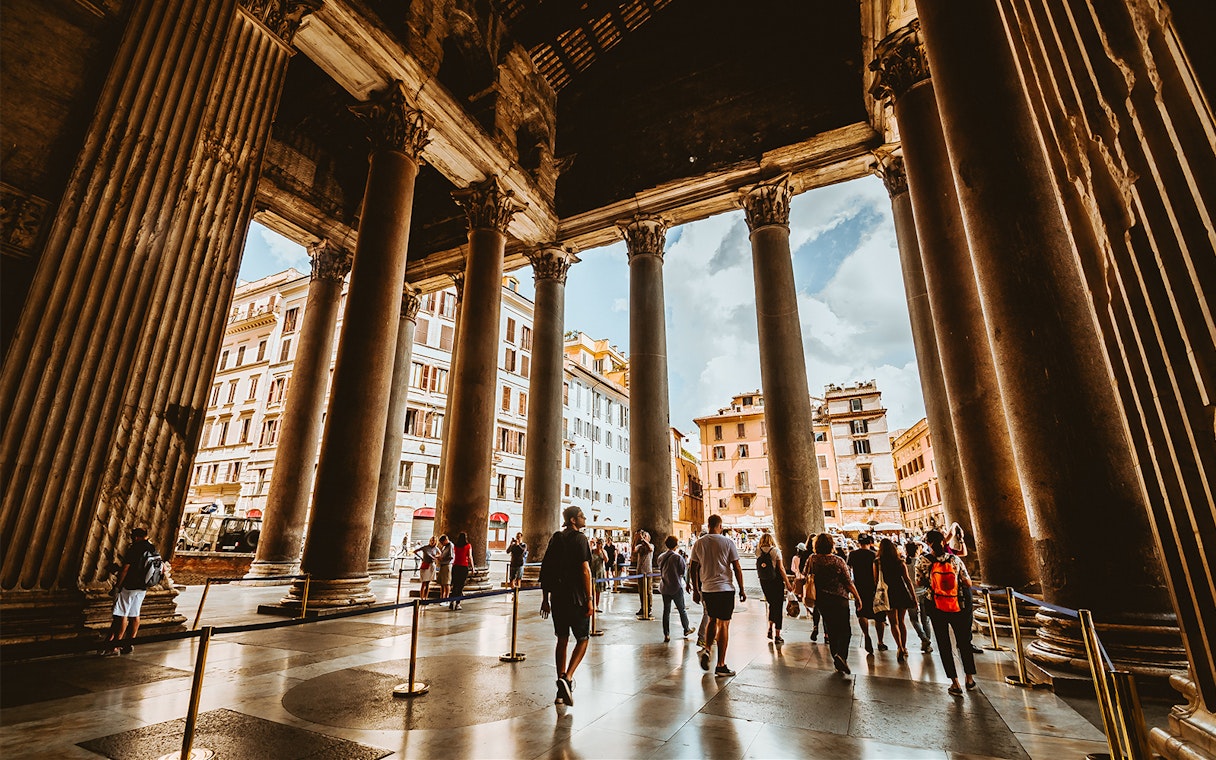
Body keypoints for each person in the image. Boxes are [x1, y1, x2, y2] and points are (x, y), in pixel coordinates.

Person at [539, 506, 594, 706]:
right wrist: (589, 599)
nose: (585, 518)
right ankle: (568, 678)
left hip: (558, 598)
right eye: (581, 516)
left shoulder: (556, 537)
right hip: (576, 598)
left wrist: (545, 598)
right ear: (573, 520)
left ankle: (560, 692)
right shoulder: (581, 539)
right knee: (583, 639)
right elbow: (585, 570)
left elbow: (546, 568)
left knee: (561, 640)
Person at [917, 529, 977, 695]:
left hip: (936, 605)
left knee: (943, 644)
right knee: (964, 641)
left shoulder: (923, 560)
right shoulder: (955, 559)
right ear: (944, 542)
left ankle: (955, 683)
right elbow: (968, 582)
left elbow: (919, 581)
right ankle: (969, 678)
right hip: (958, 604)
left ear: (928, 543)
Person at [690, 514, 746, 677]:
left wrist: (695, 589)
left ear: (708, 525)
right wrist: (742, 589)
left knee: (712, 619)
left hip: (707, 589)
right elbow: (736, 567)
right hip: (725, 588)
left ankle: (707, 649)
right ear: (720, 526)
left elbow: (693, 567)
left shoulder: (699, 543)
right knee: (724, 625)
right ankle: (721, 664)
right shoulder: (728, 542)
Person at [803, 532, 862, 675]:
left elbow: (805, 574)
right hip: (840, 599)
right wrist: (858, 597)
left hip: (822, 600)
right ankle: (841, 655)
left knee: (831, 630)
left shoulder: (812, 559)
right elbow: (848, 582)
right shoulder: (838, 561)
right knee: (845, 630)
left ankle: (836, 659)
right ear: (831, 545)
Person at [99, 527, 160, 656]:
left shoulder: (135, 548)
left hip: (129, 586)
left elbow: (126, 569)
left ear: (136, 537)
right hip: (142, 587)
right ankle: (129, 643)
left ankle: (115, 646)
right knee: (135, 615)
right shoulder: (152, 548)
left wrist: (118, 585)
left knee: (122, 614)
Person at [875, 538, 917, 661]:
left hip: (888, 593)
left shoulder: (878, 562)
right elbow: (907, 580)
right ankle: (904, 647)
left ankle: (898, 646)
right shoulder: (900, 562)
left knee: (893, 623)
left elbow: (876, 580)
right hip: (901, 592)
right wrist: (913, 597)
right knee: (902, 621)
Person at [848, 534, 887, 654]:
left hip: (859, 587)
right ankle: (880, 642)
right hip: (874, 588)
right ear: (870, 542)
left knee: (861, 612)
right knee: (879, 615)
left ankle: (866, 635)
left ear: (859, 542)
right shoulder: (874, 555)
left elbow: (849, 569)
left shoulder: (853, 554)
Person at [755, 532, 794, 643]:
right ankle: (777, 634)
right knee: (778, 606)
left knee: (772, 604)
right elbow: (781, 568)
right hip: (775, 581)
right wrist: (787, 582)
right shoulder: (776, 551)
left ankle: (769, 628)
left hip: (764, 581)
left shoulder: (758, 551)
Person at [655, 535, 693, 642]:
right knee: (682, 609)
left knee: (666, 611)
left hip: (665, 587)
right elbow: (682, 572)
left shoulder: (661, 557)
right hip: (676, 587)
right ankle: (686, 629)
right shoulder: (677, 558)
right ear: (676, 545)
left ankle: (666, 634)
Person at [904, 539, 933, 652]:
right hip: (924, 593)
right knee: (926, 619)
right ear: (917, 550)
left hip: (910, 594)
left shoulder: (904, 563)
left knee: (913, 619)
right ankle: (927, 643)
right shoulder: (922, 562)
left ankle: (923, 638)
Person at [448, 532, 472, 609]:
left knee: (455, 585)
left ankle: (451, 601)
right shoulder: (468, 546)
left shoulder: (455, 546)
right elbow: (470, 556)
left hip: (455, 566)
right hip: (463, 567)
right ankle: (458, 603)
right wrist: (473, 567)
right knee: (460, 586)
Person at [634, 530, 654, 618]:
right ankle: (643, 607)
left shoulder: (651, 545)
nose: (643, 537)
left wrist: (642, 539)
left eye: (645, 536)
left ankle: (649, 608)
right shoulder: (639, 546)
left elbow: (650, 549)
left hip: (648, 571)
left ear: (648, 538)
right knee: (641, 591)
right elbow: (633, 550)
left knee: (648, 591)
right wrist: (635, 539)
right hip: (640, 571)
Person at [589, 538, 607, 610]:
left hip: (599, 572)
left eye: (600, 544)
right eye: (597, 543)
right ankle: (591, 604)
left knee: (598, 590)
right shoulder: (592, 551)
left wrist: (602, 551)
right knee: (592, 589)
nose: (598, 545)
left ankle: (596, 605)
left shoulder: (603, 552)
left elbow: (606, 560)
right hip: (592, 571)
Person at [436, 534, 453, 602]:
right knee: (442, 582)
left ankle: (446, 597)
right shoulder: (444, 547)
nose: (442, 544)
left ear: (446, 540)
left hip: (447, 565)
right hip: (442, 565)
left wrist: (442, 558)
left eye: (442, 542)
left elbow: (451, 556)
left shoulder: (450, 546)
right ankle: (442, 596)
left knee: (446, 582)